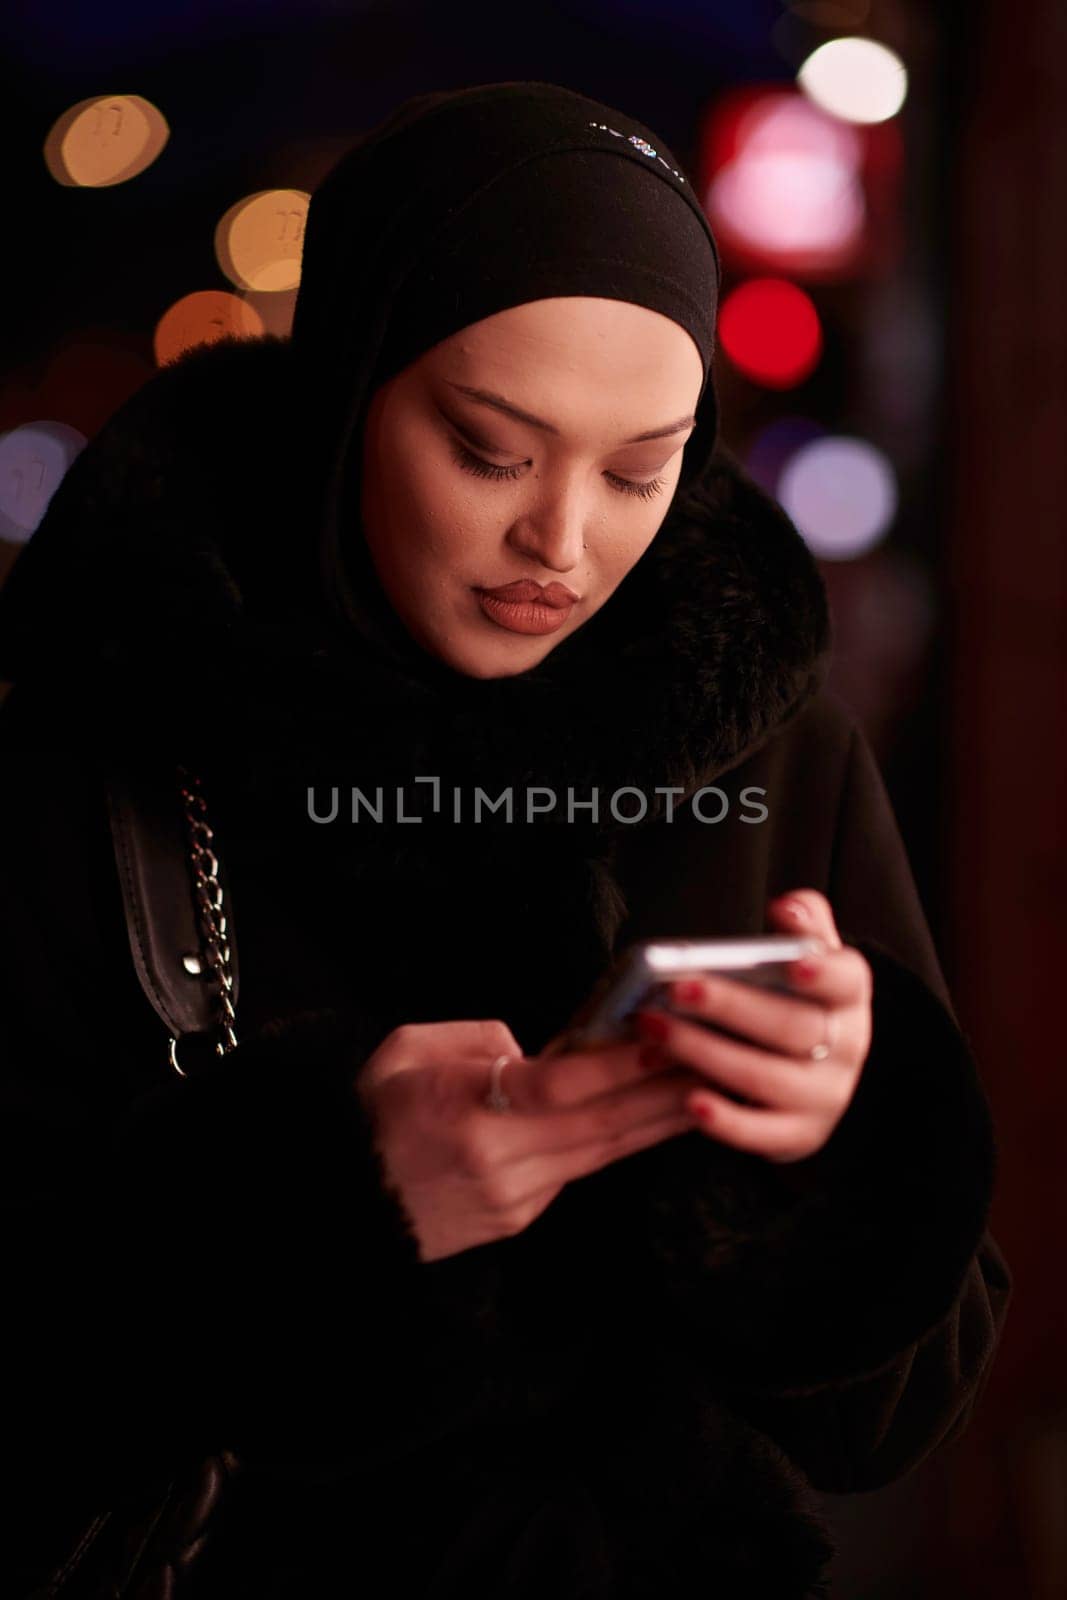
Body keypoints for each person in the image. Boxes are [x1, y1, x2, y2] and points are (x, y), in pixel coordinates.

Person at [0, 82, 1010, 1599]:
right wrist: (319, 1218)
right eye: (490, 450)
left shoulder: (757, 738)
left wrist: (834, 1158)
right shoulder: (101, 738)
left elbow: (898, 1418)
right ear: (350, 392)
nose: (563, 542)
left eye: (640, 466)